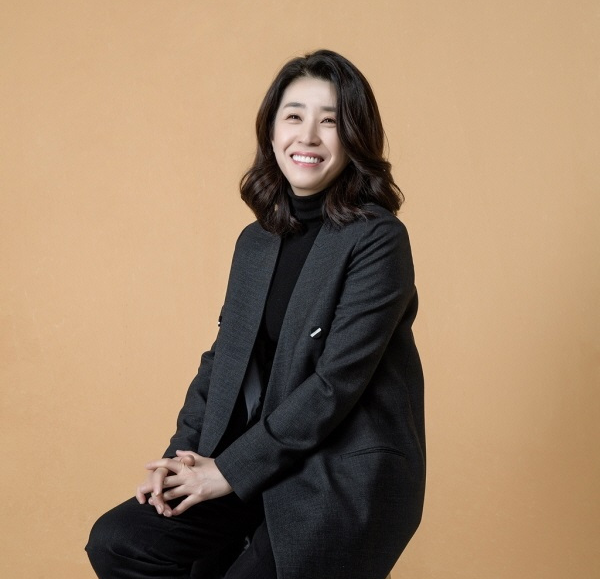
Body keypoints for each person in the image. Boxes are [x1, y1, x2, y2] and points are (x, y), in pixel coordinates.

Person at [86, 49, 425, 579]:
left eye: (330, 121)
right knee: (120, 542)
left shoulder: (378, 239)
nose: (308, 136)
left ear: (355, 137)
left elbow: (334, 385)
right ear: (271, 130)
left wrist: (227, 472)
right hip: (251, 461)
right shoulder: (257, 242)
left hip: (338, 474)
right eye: (294, 116)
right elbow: (223, 359)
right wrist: (181, 458)